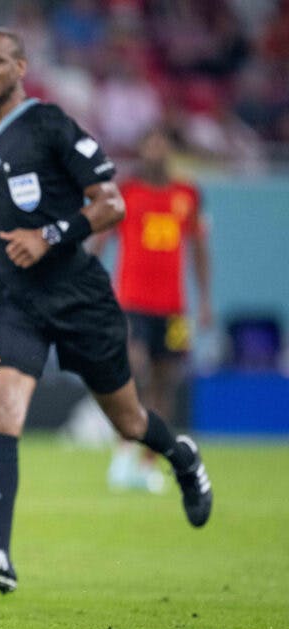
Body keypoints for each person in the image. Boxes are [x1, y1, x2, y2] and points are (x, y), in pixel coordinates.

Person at [0, 28, 213, 595]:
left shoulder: (51, 125)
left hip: (78, 296)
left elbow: (110, 204)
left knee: (128, 420)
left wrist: (49, 236)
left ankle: (181, 456)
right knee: (1, 412)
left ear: (21, 66)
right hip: (14, 300)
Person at [94, 127, 213, 492]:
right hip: (130, 303)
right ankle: (122, 452)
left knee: (165, 383)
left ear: (170, 149)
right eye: (151, 143)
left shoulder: (188, 194)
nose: (157, 150)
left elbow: (198, 249)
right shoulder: (126, 192)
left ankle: (148, 463)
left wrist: (205, 300)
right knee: (133, 370)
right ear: (142, 149)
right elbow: (99, 240)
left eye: (163, 142)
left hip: (174, 308)